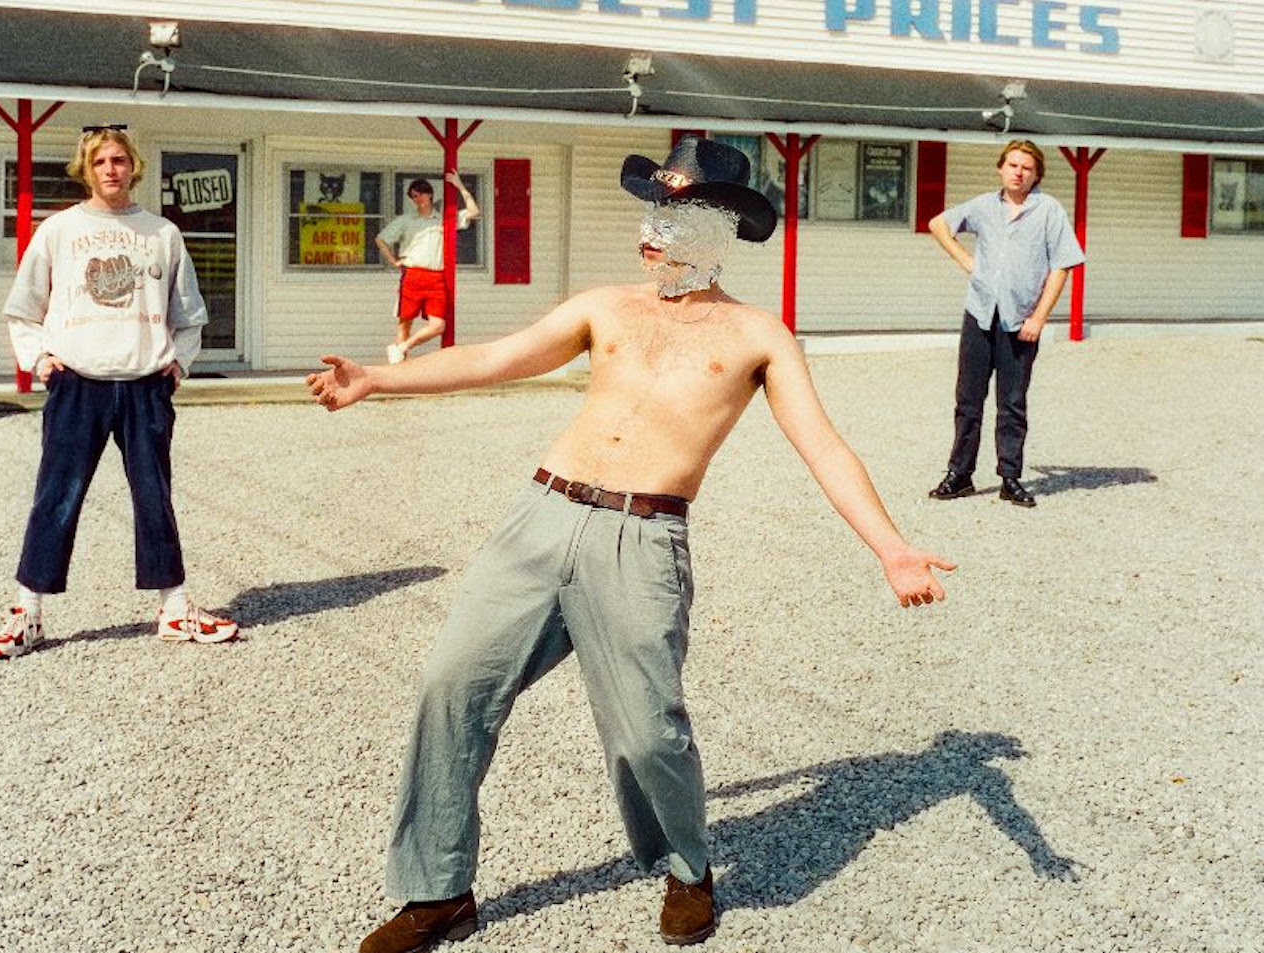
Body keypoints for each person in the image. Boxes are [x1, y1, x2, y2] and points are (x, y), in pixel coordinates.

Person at [307, 136, 954, 951]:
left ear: (720, 226)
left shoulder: (760, 335)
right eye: (650, 211)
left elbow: (823, 445)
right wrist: (378, 378)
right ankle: (437, 890)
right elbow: (497, 358)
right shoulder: (605, 306)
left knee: (649, 731)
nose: (652, 230)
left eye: (674, 215)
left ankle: (689, 869)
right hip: (540, 518)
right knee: (450, 684)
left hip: (643, 541)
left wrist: (891, 548)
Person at [0, 125, 238, 660]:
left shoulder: (162, 233)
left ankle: (173, 608)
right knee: (56, 498)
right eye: (100, 161)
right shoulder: (58, 230)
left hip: (145, 386)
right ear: (86, 168)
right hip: (77, 384)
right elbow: (23, 307)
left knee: (154, 497)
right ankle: (27, 612)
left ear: (133, 166)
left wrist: (178, 364)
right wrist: (40, 361)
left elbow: (190, 315)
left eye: (120, 160)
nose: (110, 169)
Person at [926, 139, 1085, 509]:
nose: (1018, 172)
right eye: (1012, 165)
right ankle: (960, 475)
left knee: (1012, 403)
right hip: (980, 314)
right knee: (968, 400)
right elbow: (938, 224)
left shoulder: (1048, 211)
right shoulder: (984, 206)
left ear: (1036, 174)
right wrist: (966, 261)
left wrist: (1039, 318)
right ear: (1001, 168)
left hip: (1020, 322)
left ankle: (1010, 478)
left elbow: (1062, 266)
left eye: (1026, 167)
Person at [374, 170, 480, 364]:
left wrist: (459, 185)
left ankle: (401, 348)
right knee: (405, 322)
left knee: (438, 325)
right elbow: (381, 239)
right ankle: (400, 370)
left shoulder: (444, 219)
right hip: (413, 274)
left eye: (421, 193)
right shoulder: (406, 220)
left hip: (436, 277)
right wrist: (394, 260)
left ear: (430, 194)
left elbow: (473, 212)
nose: (418, 199)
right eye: (414, 196)